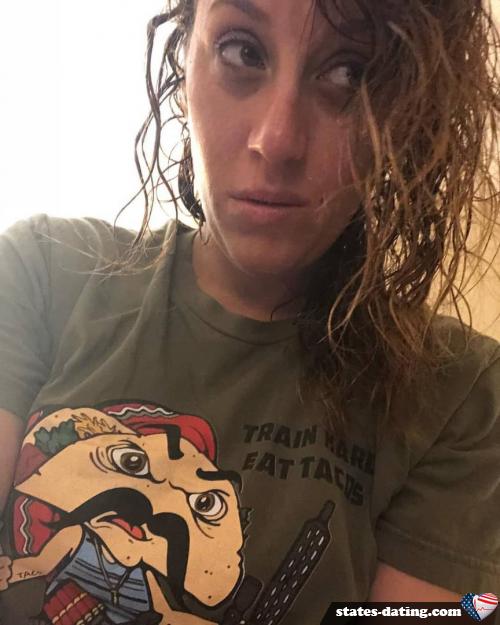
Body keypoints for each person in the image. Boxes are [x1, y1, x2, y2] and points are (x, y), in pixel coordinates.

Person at [0, 0, 499, 624]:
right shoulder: (43, 271)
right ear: (184, 60)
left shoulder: (460, 397)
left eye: (349, 72)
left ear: (408, 113)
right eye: (242, 51)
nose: (277, 140)